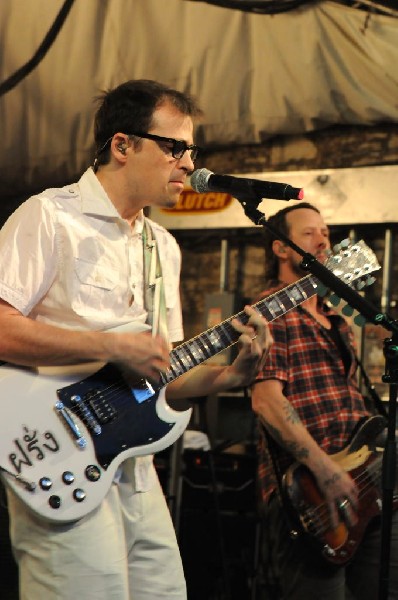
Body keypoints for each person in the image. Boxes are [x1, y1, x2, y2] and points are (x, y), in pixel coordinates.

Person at [0, 79, 272, 600]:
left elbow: (163, 371)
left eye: (191, 150)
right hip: (58, 453)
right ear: (122, 145)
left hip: (135, 466)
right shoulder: (51, 216)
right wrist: (110, 347)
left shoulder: (162, 247)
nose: (188, 163)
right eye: (174, 147)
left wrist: (230, 376)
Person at [251, 202, 398, 599]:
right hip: (312, 491)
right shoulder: (272, 313)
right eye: (309, 233)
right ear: (281, 249)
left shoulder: (337, 320)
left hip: (365, 484)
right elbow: (266, 400)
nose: (323, 242)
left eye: (326, 233)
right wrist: (325, 471)